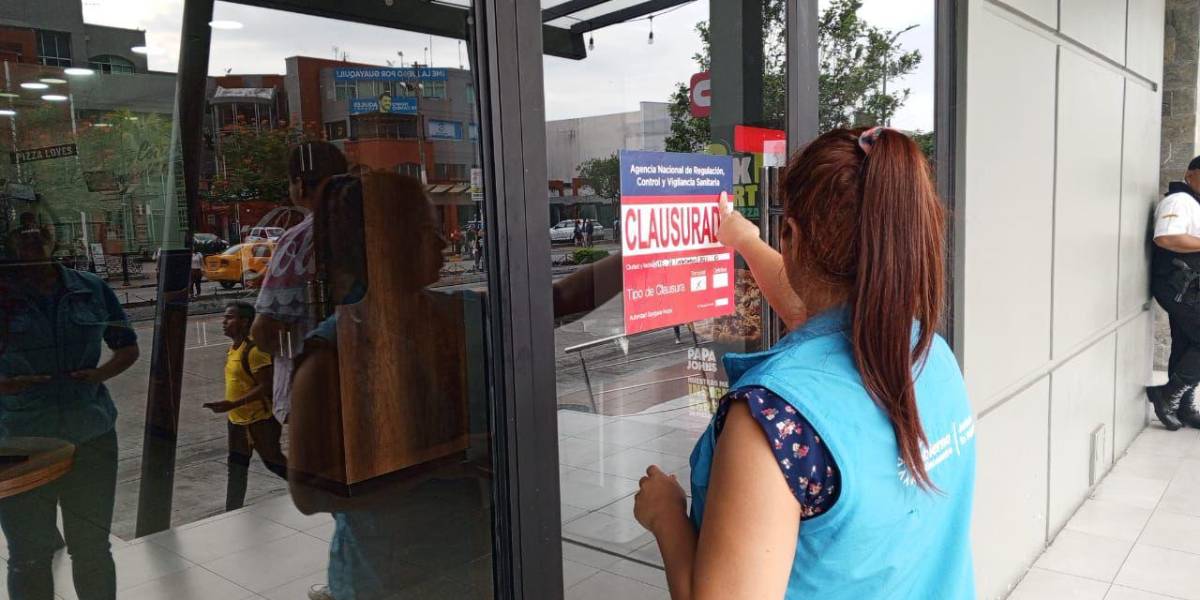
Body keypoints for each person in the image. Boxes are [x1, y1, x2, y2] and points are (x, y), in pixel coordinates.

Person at [633, 127, 976, 599]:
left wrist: (666, 516)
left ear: (791, 235)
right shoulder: (929, 355)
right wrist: (744, 239)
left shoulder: (776, 420)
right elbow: (810, 310)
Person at [0, 210, 139, 600]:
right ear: (9, 240)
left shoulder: (90, 288)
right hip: (17, 442)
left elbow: (127, 346)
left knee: (92, 548)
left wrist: (100, 374)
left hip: (90, 436)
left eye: (39, 229)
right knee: (28, 556)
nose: (31, 237)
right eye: (22, 231)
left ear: (54, 235)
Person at [250, 141, 348, 426]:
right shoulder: (370, 229)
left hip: (312, 395)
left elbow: (264, 330)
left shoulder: (299, 239)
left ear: (300, 185)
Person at [205, 302, 286, 511]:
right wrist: (232, 408)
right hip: (237, 422)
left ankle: (315, 488)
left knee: (274, 463)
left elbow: (266, 386)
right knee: (236, 468)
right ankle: (231, 513)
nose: (224, 322)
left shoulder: (254, 351)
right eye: (224, 317)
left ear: (244, 321)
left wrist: (233, 404)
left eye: (229, 317)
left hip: (259, 421)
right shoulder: (233, 349)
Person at [1147, 155, 1200, 430]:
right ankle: (1167, 395)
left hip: (1189, 288)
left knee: (1186, 343)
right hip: (1176, 285)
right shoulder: (1179, 201)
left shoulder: (1195, 204)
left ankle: (1183, 406)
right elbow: (1166, 237)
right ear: (1190, 174)